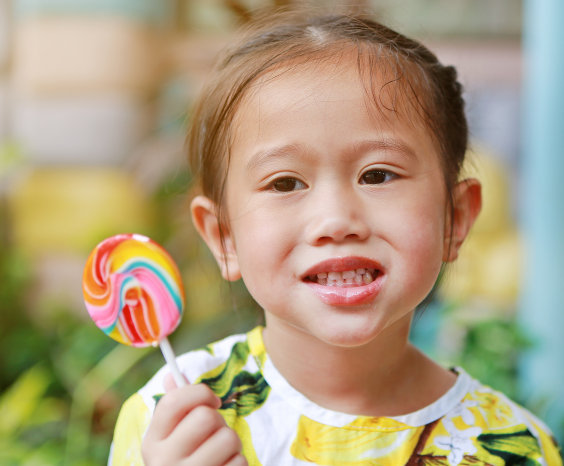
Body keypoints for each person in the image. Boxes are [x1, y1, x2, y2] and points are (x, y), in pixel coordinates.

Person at [109, 11, 563, 466]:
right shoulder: (172, 422)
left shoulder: (511, 446)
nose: (336, 219)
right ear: (224, 236)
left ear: (455, 218)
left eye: (378, 174)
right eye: (285, 183)